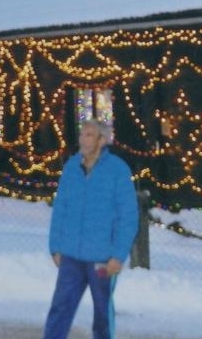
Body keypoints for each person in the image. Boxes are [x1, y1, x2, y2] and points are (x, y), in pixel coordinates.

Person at [43, 118, 138, 339]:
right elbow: (60, 209)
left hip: (102, 260)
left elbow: (128, 217)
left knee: (102, 314)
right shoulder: (71, 167)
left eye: (89, 135)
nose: (83, 140)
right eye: (81, 134)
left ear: (102, 140)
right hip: (71, 256)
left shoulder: (117, 170)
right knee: (59, 309)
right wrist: (55, 246)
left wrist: (118, 255)